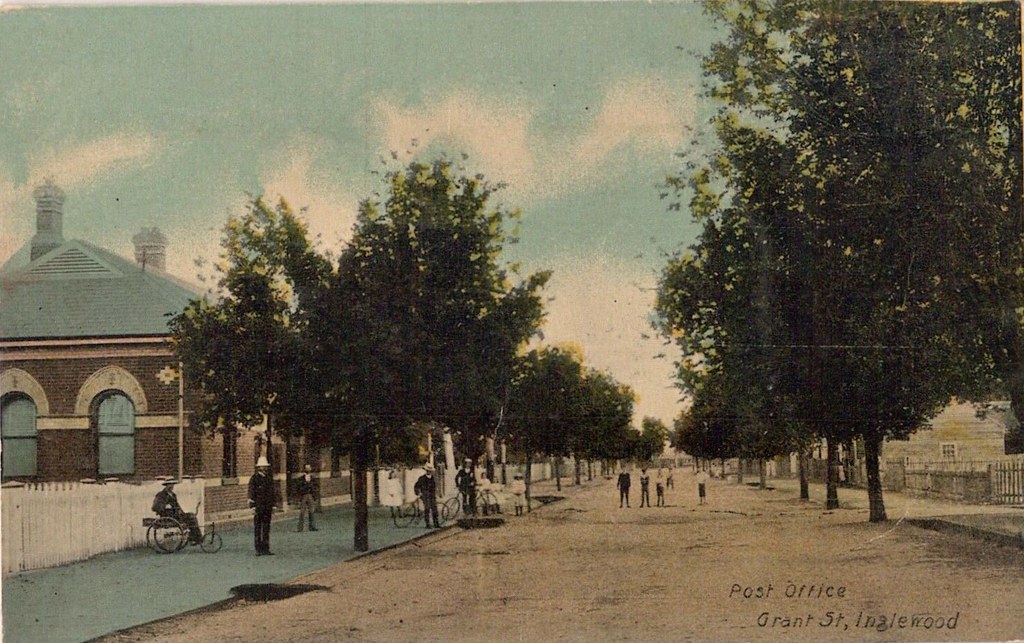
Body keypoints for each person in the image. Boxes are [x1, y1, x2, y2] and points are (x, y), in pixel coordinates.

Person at [152, 479, 202, 544]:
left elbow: (177, 505)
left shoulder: (173, 495)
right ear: (166, 486)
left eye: (173, 485)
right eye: (170, 485)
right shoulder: (161, 495)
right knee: (190, 518)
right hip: (168, 515)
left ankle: (196, 536)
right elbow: (156, 507)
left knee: (192, 516)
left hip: (176, 514)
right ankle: (197, 537)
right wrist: (165, 508)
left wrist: (181, 512)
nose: (172, 486)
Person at [248, 456, 277, 555]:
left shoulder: (269, 478)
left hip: (267, 507)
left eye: (265, 467)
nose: (264, 468)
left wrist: (273, 505)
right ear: (259, 468)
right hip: (258, 507)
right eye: (262, 467)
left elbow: (272, 492)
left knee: (266, 528)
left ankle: (266, 548)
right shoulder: (254, 478)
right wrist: (252, 506)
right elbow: (251, 493)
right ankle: (258, 549)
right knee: (258, 528)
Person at [414, 463, 440, 528]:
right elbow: (416, 486)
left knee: (434, 509)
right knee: (427, 508)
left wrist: (435, 493)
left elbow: (434, 487)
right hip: (425, 495)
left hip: (432, 495)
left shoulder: (433, 479)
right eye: (428, 470)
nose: (429, 472)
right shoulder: (422, 478)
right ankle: (427, 524)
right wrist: (418, 493)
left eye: (430, 471)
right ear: (426, 471)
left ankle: (436, 523)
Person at [294, 464, 319, 532]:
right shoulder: (301, 479)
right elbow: (298, 488)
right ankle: (300, 527)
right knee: (302, 512)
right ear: (304, 469)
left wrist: (314, 495)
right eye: (306, 468)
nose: (308, 469)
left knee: (311, 511)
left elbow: (315, 487)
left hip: (310, 495)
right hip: (304, 495)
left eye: (309, 468)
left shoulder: (313, 478)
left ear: (310, 469)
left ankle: (312, 526)